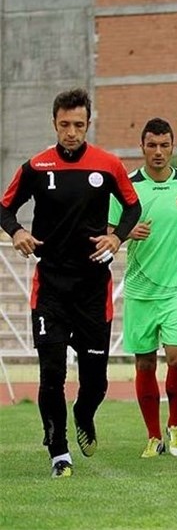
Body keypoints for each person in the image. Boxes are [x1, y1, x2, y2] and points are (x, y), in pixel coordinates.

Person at [0, 88, 141, 478]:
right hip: (51, 288)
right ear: (54, 124)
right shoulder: (36, 166)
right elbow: (4, 207)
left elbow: (133, 206)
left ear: (88, 124)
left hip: (94, 288)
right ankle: (58, 451)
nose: (72, 132)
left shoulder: (108, 165)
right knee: (52, 374)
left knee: (95, 382)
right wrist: (16, 233)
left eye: (79, 125)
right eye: (65, 125)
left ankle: (84, 413)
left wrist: (116, 237)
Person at [109, 118, 177, 458]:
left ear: (173, 147)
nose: (158, 152)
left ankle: (176, 426)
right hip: (141, 291)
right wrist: (126, 233)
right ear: (142, 147)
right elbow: (108, 228)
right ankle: (152, 436)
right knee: (144, 364)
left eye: (164, 145)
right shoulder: (126, 187)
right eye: (151, 145)